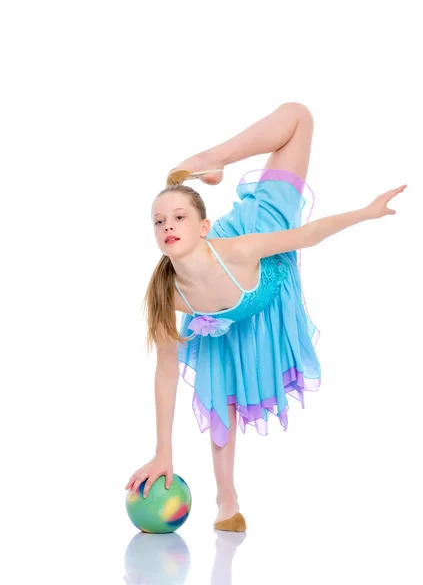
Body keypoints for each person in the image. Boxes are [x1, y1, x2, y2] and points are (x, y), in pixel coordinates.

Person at [124, 102, 407, 532]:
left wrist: (365, 213)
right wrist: (164, 451)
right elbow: (165, 373)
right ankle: (227, 502)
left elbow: (306, 235)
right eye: (159, 221)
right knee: (222, 389)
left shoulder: (238, 248)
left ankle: (211, 159)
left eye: (180, 217)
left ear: (204, 227)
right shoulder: (167, 293)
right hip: (231, 317)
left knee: (299, 116)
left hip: (266, 244)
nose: (168, 225)